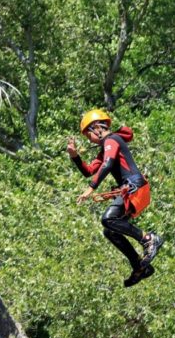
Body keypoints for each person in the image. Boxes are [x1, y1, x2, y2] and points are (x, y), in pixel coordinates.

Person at [67, 109, 163, 287]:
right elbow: (89, 171)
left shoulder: (112, 140)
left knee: (108, 218)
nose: (90, 140)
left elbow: (108, 164)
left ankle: (149, 238)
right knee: (110, 229)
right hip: (131, 189)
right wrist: (75, 156)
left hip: (134, 187)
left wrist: (90, 190)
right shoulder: (105, 148)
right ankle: (140, 267)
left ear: (96, 127)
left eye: (89, 136)